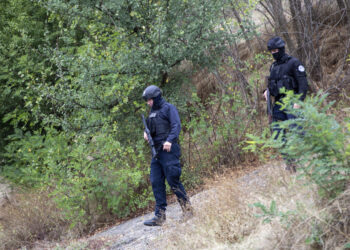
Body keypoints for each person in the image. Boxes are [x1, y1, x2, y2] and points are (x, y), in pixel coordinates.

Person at [142, 85, 193, 226]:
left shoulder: (169, 108)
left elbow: (176, 126)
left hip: (169, 151)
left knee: (173, 180)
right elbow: (152, 130)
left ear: (156, 97)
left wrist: (169, 140)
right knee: (156, 181)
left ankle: (187, 210)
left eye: (150, 100)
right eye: (147, 101)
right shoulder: (152, 113)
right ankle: (159, 216)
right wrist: (146, 134)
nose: (149, 103)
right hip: (157, 152)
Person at [264, 36, 309, 172]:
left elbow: (303, 84)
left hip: (293, 101)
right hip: (278, 104)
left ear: (282, 49)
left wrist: (299, 102)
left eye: (276, 50)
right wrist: (266, 92)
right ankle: (290, 163)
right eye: (271, 51)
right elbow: (273, 85)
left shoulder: (294, 63)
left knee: (297, 131)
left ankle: (306, 160)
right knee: (277, 134)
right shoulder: (274, 67)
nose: (274, 53)